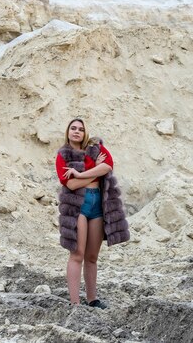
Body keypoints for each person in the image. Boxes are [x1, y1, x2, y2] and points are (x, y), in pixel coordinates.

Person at [55, 118, 129, 308]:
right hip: (78, 206)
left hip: (98, 205)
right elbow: (69, 184)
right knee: (77, 254)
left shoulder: (95, 147)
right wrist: (95, 173)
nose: (77, 132)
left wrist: (80, 174)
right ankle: (75, 302)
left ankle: (92, 299)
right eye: (73, 128)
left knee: (92, 256)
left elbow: (108, 166)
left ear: (85, 132)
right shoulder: (63, 155)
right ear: (68, 131)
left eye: (81, 129)